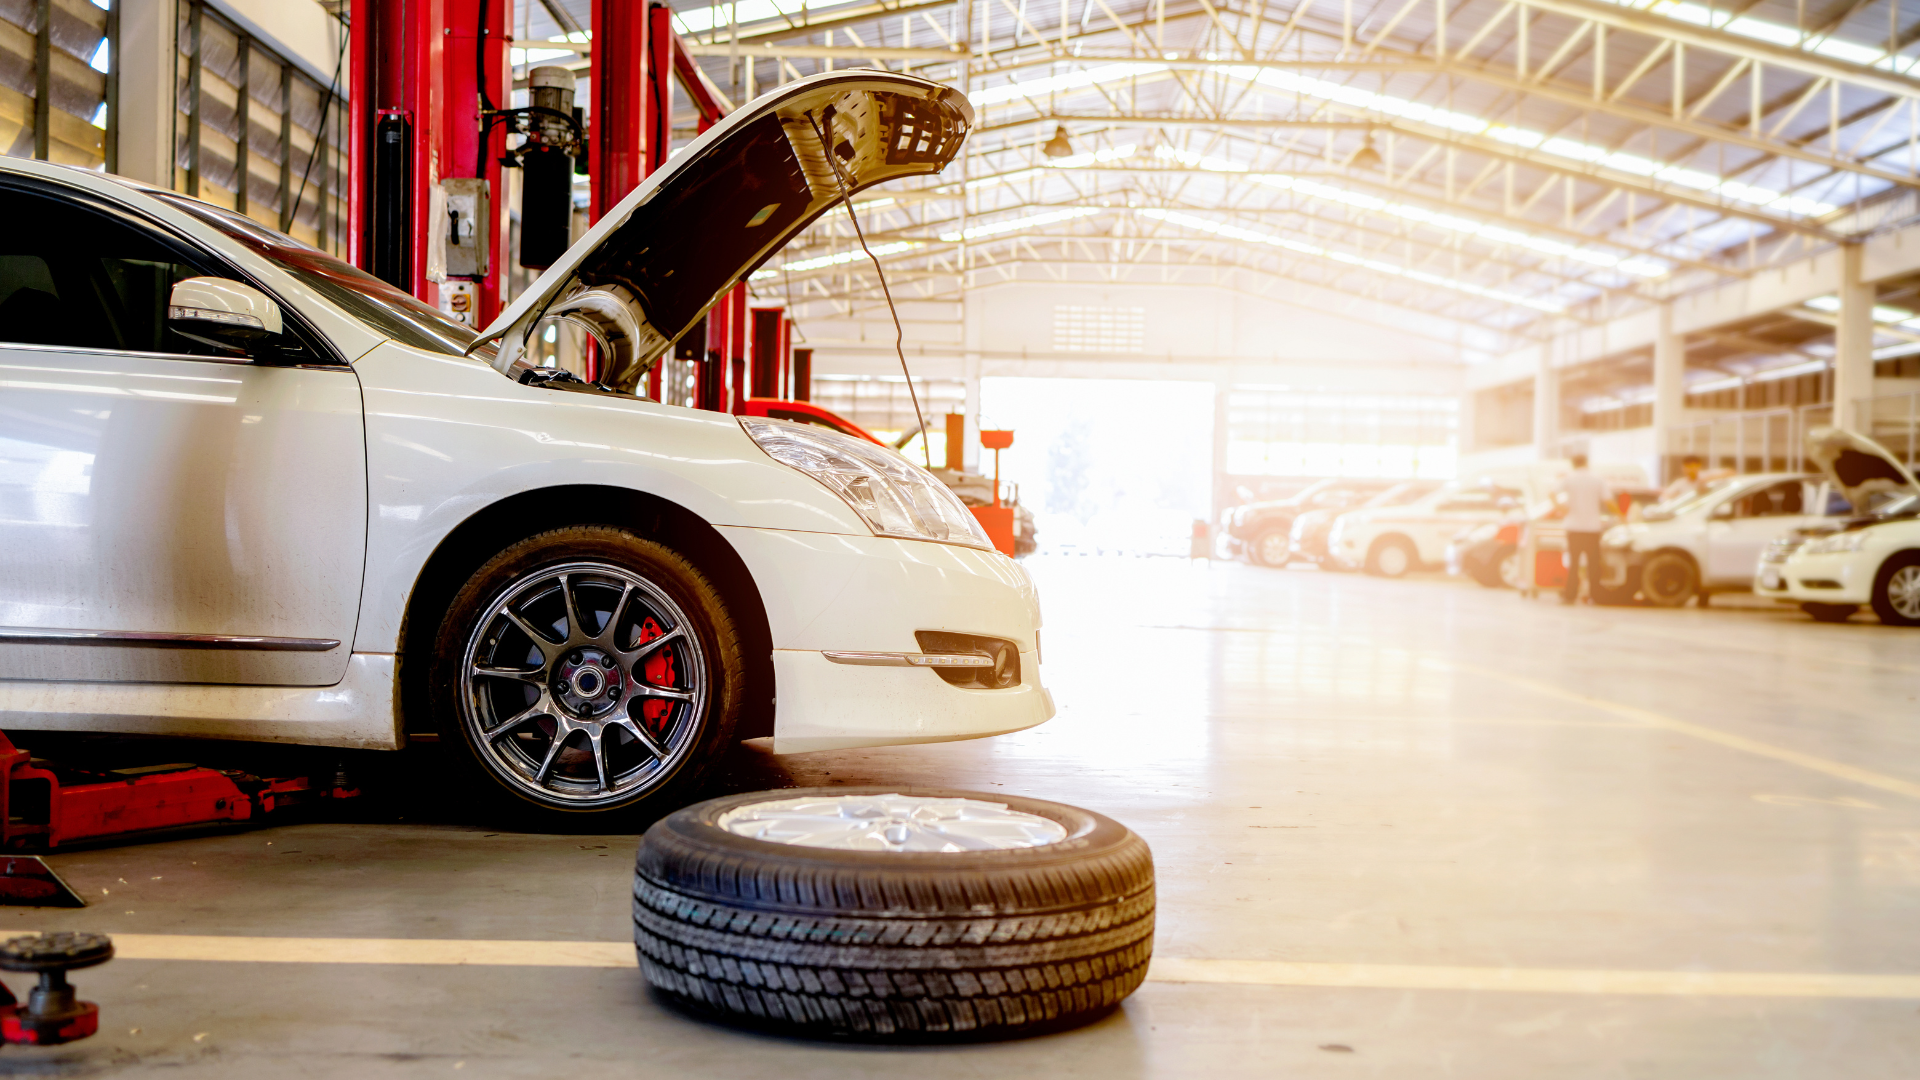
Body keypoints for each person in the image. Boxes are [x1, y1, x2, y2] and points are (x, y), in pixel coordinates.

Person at [1558, 454, 1610, 605]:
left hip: (1573, 527)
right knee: (1593, 563)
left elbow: (1551, 492)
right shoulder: (1597, 479)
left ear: (1573, 463)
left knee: (1573, 563)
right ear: (1586, 462)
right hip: (1592, 528)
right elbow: (1607, 499)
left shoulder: (1569, 478)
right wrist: (1621, 515)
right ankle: (1596, 595)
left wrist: (1560, 508)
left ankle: (1570, 595)